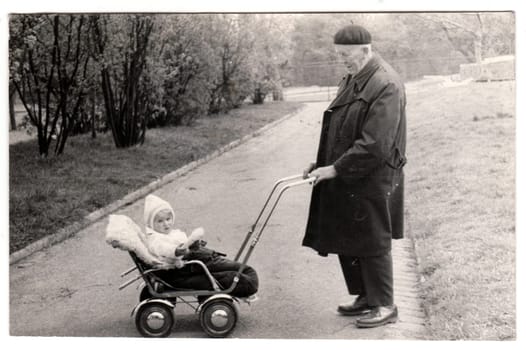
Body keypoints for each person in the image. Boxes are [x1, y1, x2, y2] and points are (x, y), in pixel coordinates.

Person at [302, 24, 407, 328]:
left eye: (346, 55)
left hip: (374, 176)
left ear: (365, 50)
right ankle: (365, 296)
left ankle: (385, 304)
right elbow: (342, 130)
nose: (343, 61)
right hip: (350, 173)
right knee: (348, 234)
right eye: (339, 55)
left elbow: (375, 143)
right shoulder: (354, 77)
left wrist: (335, 168)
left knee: (372, 237)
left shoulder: (385, 83)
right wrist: (320, 163)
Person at [142, 194, 259, 298]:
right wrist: (177, 251)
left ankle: (243, 281)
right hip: (182, 271)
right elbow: (164, 249)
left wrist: (191, 242)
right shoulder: (156, 239)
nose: (166, 224)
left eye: (168, 219)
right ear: (151, 224)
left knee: (242, 270)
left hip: (191, 263)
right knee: (240, 274)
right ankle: (244, 284)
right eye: (160, 221)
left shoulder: (170, 234)